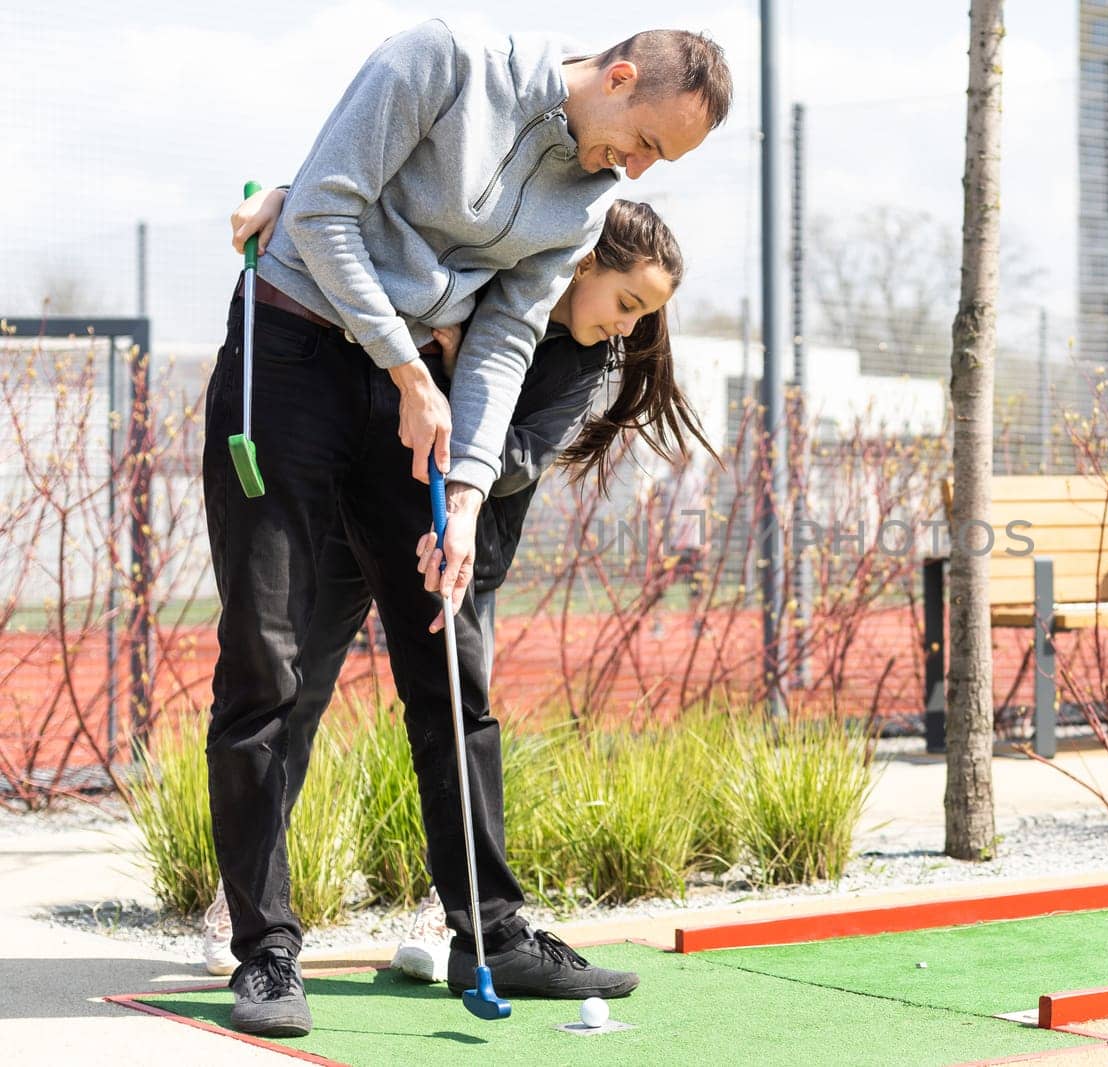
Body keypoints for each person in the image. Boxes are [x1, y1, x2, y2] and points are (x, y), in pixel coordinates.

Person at [204, 21, 729, 1037]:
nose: (641, 169)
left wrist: (472, 493)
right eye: (648, 141)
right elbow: (320, 211)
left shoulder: (580, 203)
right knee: (267, 658)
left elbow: (501, 340)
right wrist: (406, 365)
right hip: (296, 349)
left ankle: (487, 933)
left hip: (411, 393)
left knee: (450, 654)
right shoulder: (443, 64)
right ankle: (266, 953)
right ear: (617, 79)